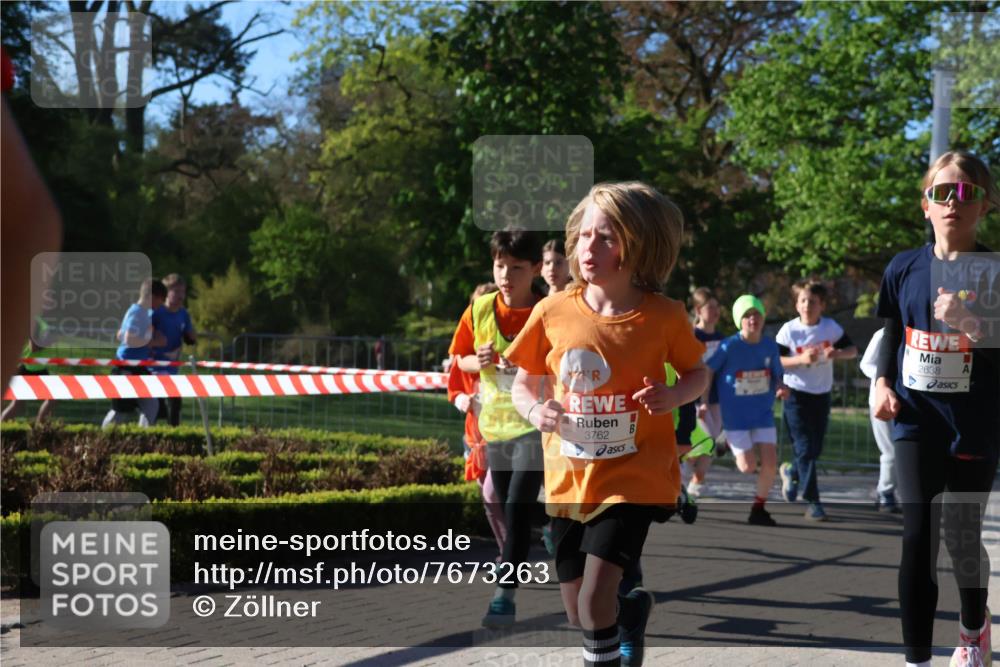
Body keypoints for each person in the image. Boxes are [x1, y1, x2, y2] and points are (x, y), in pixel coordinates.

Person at [506, 181, 709, 667]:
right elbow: (522, 384)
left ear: (637, 246)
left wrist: (673, 395)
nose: (589, 248)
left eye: (607, 238)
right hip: (571, 478)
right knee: (578, 612)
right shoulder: (552, 311)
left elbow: (698, 374)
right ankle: (632, 612)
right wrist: (537, 411)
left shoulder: (664, 316)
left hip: (635, 476)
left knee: (596, 601)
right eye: (585, 235)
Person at [873, 150, 999, 667]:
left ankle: (973, 630)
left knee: (961, 539)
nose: (953, 203)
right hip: (915, 418)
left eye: (965, 193)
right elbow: (889, 333)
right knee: (917, 536)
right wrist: (881, 380)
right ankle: (917, 659)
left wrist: (969, 321)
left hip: (974, 423)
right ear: (926, 204)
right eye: (942, 192)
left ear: (985, 206)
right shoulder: (903, 267)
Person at [450, 229, 544, 627]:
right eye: (500, 266)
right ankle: (552, 524)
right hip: (496, 427)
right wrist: (481, 360)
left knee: (518, 509)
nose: (506, 275)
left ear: (536, 269)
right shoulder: (480, 309)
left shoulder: (548, 309)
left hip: (536, 423)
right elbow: (460, 360)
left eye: (516, 268)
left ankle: (504, 596)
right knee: (513, 506)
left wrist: (527, 367)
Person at [775, 279, 858, 521]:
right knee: (805, 448)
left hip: (821, 394)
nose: (807, 305)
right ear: (796, 304)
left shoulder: (830, 328)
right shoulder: (789, 331)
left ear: (821, 305)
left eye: (812, 301)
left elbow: (852, 350)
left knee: (815, 448)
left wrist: (838, 353)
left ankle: (791, 471)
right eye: (803, 301)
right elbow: (775, 360)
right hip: (795, 394)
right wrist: (800, 361)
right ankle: (813, 501)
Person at [704, 294, 789, 526]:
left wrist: (781, 386)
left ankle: (758, 508)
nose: (753, 319)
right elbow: (708, 370)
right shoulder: (729, 346)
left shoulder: (769, 346)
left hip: (762, 413)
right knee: (747, 467)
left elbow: (777, 373)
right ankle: (726, 440)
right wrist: (704, 399)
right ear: (739, 321)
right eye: (747, 316)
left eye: (757, 314)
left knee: (770, 463)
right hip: (735, 417)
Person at [447, 282, 507, 560]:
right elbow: (455, 386)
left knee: (496, 492)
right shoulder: (467, 353)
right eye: (476, 309)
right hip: (474, 436)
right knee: (486, 493)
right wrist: (463, 400)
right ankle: (506, 549)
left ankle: (512, 552)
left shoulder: (507, 347)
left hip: (505, 434)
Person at [102, 279, 166, 428]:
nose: (161, 305)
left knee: (151, 404)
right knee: (120, 411)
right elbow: (129, 338)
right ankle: (100, 440)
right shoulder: (137, 312)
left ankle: (142, 438)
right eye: (161, 300)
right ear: (153, 297)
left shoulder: (142, 312)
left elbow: (120, 335)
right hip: (126, 367)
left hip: (138, 367)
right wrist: (154, 342)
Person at [689, 287, 725, 497]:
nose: (715, 311)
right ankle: (683, 473)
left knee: (709, 442)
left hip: (716, 398)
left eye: (717, 307)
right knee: (706, 438)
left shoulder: (722, 339)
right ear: (698, 310)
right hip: (695, 397)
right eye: (710, 307)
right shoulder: (693, 335)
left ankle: (697, 479)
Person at [859, 327, 899, 513]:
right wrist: (886, 377)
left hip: (908, 402)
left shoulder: (919, 329)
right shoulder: (883, 334)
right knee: (890, 450)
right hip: (882, 401)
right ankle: (885, 492)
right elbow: (866, 364)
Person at [151, 273, 196, 426]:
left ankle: (174, 437)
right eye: (176, 292)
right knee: (157, 406)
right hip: (153, 366)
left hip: (172, 367)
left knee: (175, 403)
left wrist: (191, 337)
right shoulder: (156, 312)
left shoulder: (184, 314)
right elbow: (144, 337)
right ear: (166, 292)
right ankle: (150, 435)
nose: (181, 296)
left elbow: (189, 337)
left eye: (183, 292)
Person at [1, 318, 55, 425]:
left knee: (52, 398)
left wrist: (48, 339)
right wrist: (48, 341)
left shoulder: (42, 320)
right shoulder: (33, 321)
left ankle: (40, 429)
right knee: (18, 404)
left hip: (38, 367)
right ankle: (3, 427)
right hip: (27, 368)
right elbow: (33, 348)